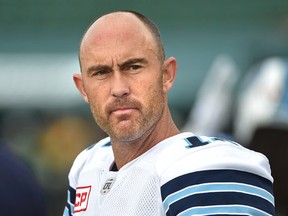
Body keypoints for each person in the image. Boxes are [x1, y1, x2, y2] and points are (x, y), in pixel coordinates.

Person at [63, 10, 275, 216]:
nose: (119, 89)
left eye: (134, 67)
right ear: (83, 88)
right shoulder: (87, 165)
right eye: (101, 73)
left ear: (167, 75)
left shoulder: (204, 167)